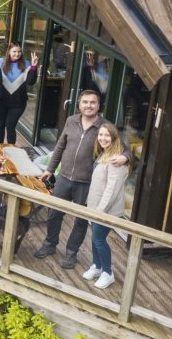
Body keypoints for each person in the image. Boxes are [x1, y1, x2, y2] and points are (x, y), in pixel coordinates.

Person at [35, 90, 130, 268]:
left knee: (80, 220)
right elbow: (60, 146)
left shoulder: (105, 127)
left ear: (98, 105)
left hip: (87, 183)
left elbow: (125, 149)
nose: (88, 105)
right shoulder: (71, 121)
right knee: (54, 213)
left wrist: (125, 158)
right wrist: (50, 169)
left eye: (92, 102)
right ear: (79, 104)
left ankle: (71, 253)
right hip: (63, 177)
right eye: (85, 102)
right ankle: (50, 244)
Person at [81, 123, 128, 289]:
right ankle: (97, 266)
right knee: (94, 238)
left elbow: (111, 189)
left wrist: (100, 211)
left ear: (114, 137)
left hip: (105, 210)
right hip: (95, 206)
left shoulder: (116, 159)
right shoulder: (104, 153)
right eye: (100, 135)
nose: (103, 138)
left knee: (98, 239)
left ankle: (108, 273)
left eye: (107, 135)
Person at [0, 44, 40, 144]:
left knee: (10, 126)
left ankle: (11, 150)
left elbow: (30, 82)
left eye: (19, 51)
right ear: (9, 51)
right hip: (0, 101)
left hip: (18, 102)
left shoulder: (27, 64)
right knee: (0, 124)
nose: (17, 54)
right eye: (14, 51)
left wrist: (34, 67)